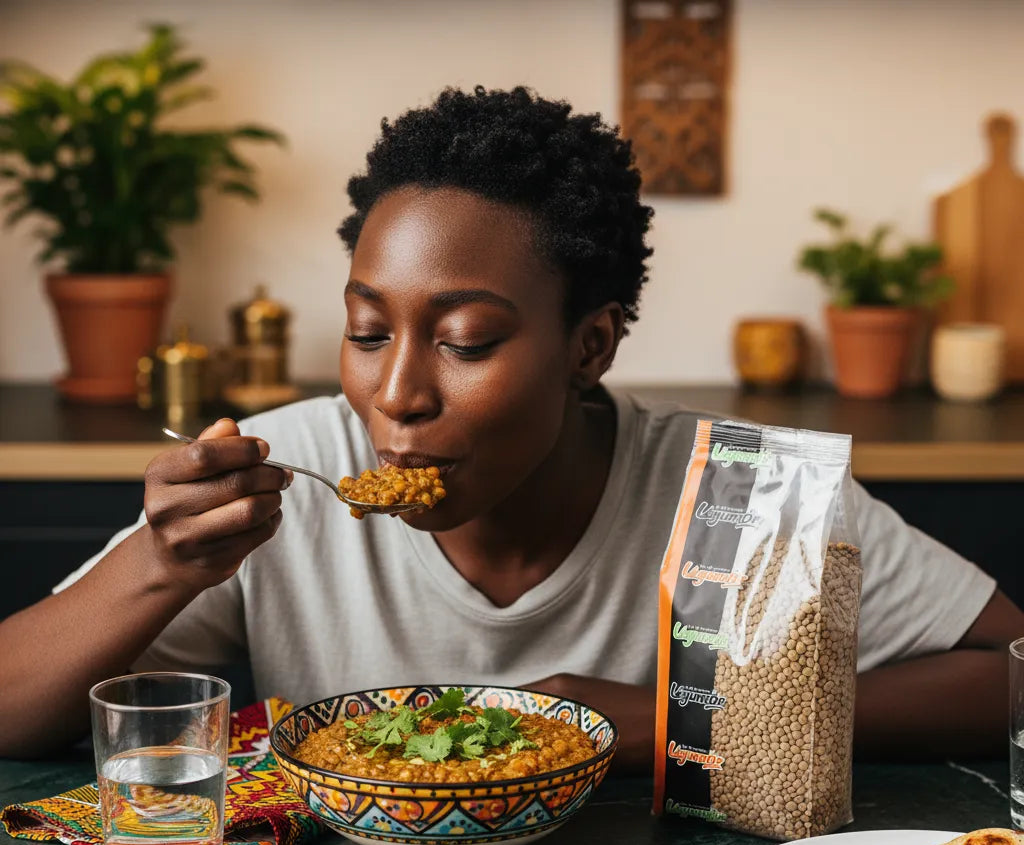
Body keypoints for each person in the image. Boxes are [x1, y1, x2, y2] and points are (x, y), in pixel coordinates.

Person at [1, 86, 1020, 768]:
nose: (394, 394)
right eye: (366, 331)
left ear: (589, 347)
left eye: (466, 341)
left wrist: (663, 726)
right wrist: (161, 567)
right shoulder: (292, 466)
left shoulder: (733, 491)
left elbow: (1010, 678)